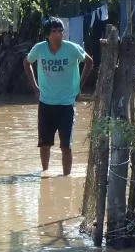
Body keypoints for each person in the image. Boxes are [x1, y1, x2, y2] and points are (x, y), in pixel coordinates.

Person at [23, 17, 93, 176]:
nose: (57, 34)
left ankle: (66, 178)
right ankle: (44, 174)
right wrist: (35, 87)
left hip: (66, 104)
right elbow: (26, 63)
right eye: (54, 31)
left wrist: (79, 87)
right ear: (47, 34)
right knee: (44, 144)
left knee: (66, 146)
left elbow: (89, 62)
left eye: (60, 31)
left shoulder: (72, 48)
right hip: (46, 102)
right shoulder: (39, 49)